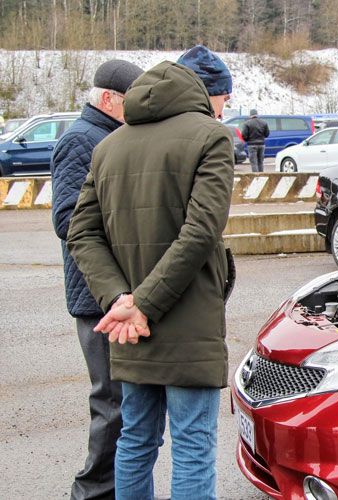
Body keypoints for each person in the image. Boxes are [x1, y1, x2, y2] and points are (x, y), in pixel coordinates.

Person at [67, 45, 234, 500]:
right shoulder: (211, 136)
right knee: (193, 445)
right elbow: (201, 233)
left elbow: (80, 234)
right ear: (205, 91)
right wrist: (141, 304)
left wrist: (119, 300)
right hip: (186, 317)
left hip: (128, 326)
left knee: (136, 441)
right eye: (225, 98)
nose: (227, 108)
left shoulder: (109, 146)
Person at [51, 58, 144, 500]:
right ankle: (91, 492)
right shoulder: (81, 140)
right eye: (131, 101)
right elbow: (69, 221)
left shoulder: (107, 136)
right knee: (111, 401)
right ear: (108, 99)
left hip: (113, 292)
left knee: (123, 402)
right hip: (95, 293)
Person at [241, 108, 269, 172]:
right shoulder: (264, 123)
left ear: (250, 115)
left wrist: (247, 140)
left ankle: (256, 178)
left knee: (254, 163)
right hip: (262, 145)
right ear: (257, 114)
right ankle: (262, 177)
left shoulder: (247, 123)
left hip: (251, 145)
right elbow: (267, 134)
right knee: (260, 162)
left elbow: (244, 135)